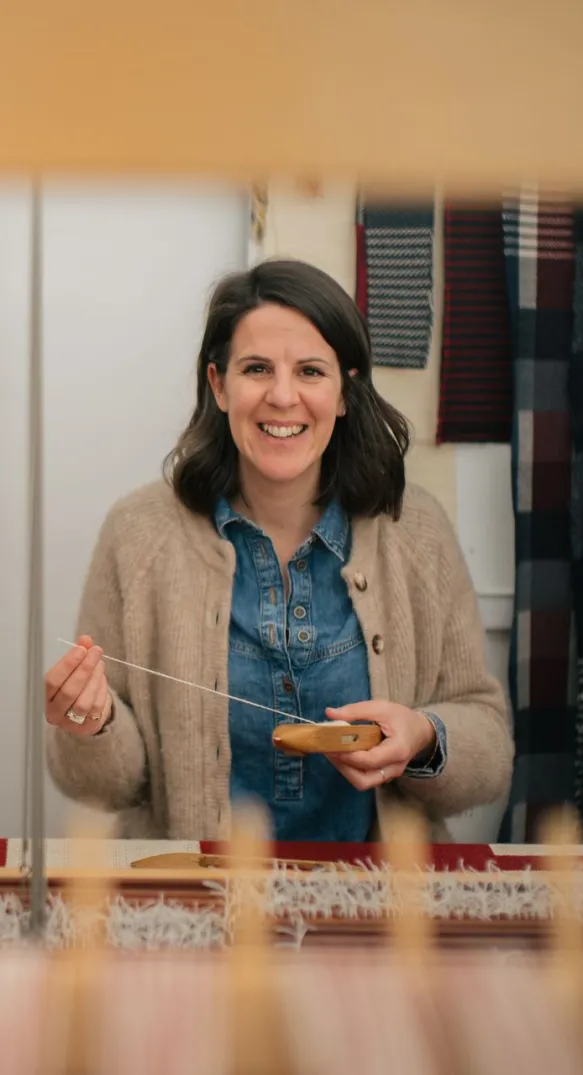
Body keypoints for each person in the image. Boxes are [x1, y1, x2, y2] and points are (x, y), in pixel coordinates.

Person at [44, 259, 513, 841]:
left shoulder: (415, 528)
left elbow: (490, 749)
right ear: (219, 385)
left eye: (311, 371)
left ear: (346, 390)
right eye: (257, 368)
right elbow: (106, 789)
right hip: (194, 911)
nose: (283, 396)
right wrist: (92, 721)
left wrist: (423, 735)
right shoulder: (137, 533)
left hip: (382, 911)